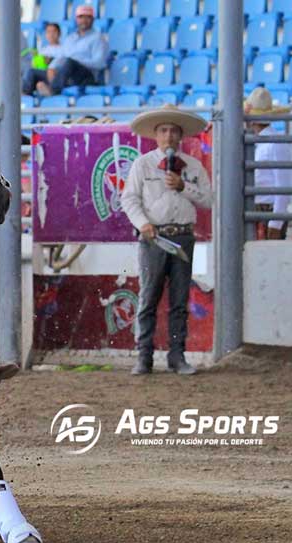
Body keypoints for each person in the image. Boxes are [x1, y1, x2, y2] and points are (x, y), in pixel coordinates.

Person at [120, 105, 213, 376]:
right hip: (154, 236)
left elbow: (208, 198)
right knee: (148, 297)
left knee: (179, 299)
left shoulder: (193, 166)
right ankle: (144, 356)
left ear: (181, 135)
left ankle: (177, 356)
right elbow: (129, 199)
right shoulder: (143, 163)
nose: (169, 135)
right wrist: (143, 223)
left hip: (183, 235)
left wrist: (185, 187)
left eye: (174, 130)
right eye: (164, 130)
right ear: (156, 135)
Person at [245, 87, 292, 240]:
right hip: (259, 209)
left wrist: (276, 224)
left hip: (268, 211)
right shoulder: (260, 142)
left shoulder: (274, 143)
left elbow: (283, 187)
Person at [35, 5, 108, 97]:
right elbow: (62, 56)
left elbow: (99, 63)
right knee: (33, 72)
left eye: (87, 17)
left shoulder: (98, 38)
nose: (84, 20)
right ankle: (23, 99)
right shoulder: (70, 38)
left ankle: (53, 91)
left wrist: (77, 60)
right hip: (68, 74)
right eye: (81, 17)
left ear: (93, 19)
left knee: (70, 62)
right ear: (76, 19)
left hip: (88, 76)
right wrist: (52, 67)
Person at [21, 22, 64, 95]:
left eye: (54, 31)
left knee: (31, 72)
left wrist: (50, 61)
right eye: (48, 32)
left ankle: (25, 94)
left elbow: (62, 64)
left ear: (59, 33)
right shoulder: (42, 50)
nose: (51, 34)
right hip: (41, 73)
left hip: (54, 74)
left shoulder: (63, 49)